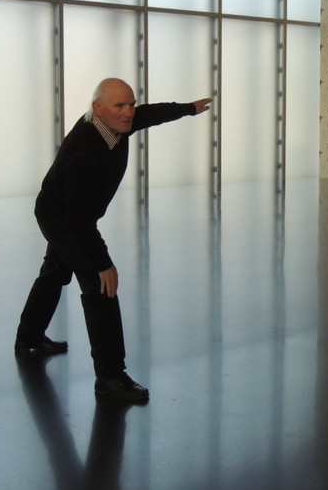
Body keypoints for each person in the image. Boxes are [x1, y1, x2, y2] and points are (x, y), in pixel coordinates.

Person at [15, 77, 212, 403]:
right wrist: (103, 262)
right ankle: (110, 376)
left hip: (75, 216)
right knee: (100, 286)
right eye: (120, 105)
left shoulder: (117, 124)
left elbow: (150, 113)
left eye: (130, 104)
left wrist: (189, 109)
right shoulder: (83, 151)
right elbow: (78, 222)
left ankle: (28, 337)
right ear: (98, 108)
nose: (129, 112)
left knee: (55, 272)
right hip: (61, 218)